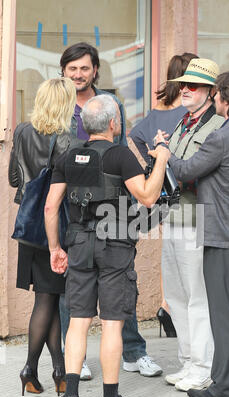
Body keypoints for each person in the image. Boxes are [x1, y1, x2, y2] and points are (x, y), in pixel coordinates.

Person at [44, 94, 170, 397]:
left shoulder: (68, 156)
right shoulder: (120, 156)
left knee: (79, 321)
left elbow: (50, 207)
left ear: (86, 125)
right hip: (114, 246)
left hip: (79, 243)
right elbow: (147, 196)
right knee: (112, 324)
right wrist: (162, 160)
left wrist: (56, 249)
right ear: (114, 124)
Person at [151, 71, 229, 397]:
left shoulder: (222, 136)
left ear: (225, 100)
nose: (215, 99)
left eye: (217, 95)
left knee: (222, 312)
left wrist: (164, 151)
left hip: (220, 235)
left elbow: (187, 170)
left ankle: (223, 387)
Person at [59, 42, 162, 378]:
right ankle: (77, 361)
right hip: (69, 205)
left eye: (84, 68)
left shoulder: (110, 104)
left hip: (113, 207)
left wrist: (129, 206)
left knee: (119, 285)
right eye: (72, 69)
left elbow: (119, 157)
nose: (78, 74)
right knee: (73, 286)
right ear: (63, 71)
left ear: (95, 71)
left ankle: (133, 352)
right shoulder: (57, 105)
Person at [153, 58, 224, 392]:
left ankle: (202, 366)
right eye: (182, 84)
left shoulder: (217, 127)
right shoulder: (184, 122)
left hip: (197, 218)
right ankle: (187, 361)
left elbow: (191, 169)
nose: (184, 89)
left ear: (209, 92)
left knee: (197, 297)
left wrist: (166, 154)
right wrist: (162, 152)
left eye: (192, 85)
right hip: (173, 217)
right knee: (177, 295)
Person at [8, 78, 79, 396]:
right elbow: (73, 191)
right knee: (48, 299)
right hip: (53, 228)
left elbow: (14, 179)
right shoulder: (68, 140)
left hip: (28, 225)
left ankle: (58, 371)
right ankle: (30, 369)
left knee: (46, 299)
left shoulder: (22, 130)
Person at [128, 52, 198, 340]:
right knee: (186, 256)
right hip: (187, 189)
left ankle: (165, 305)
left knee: (168, 250)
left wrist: (153, 160)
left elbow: (135, 133)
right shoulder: (189, 110)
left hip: (163, 188)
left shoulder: (158, 110)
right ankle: (175, 309)